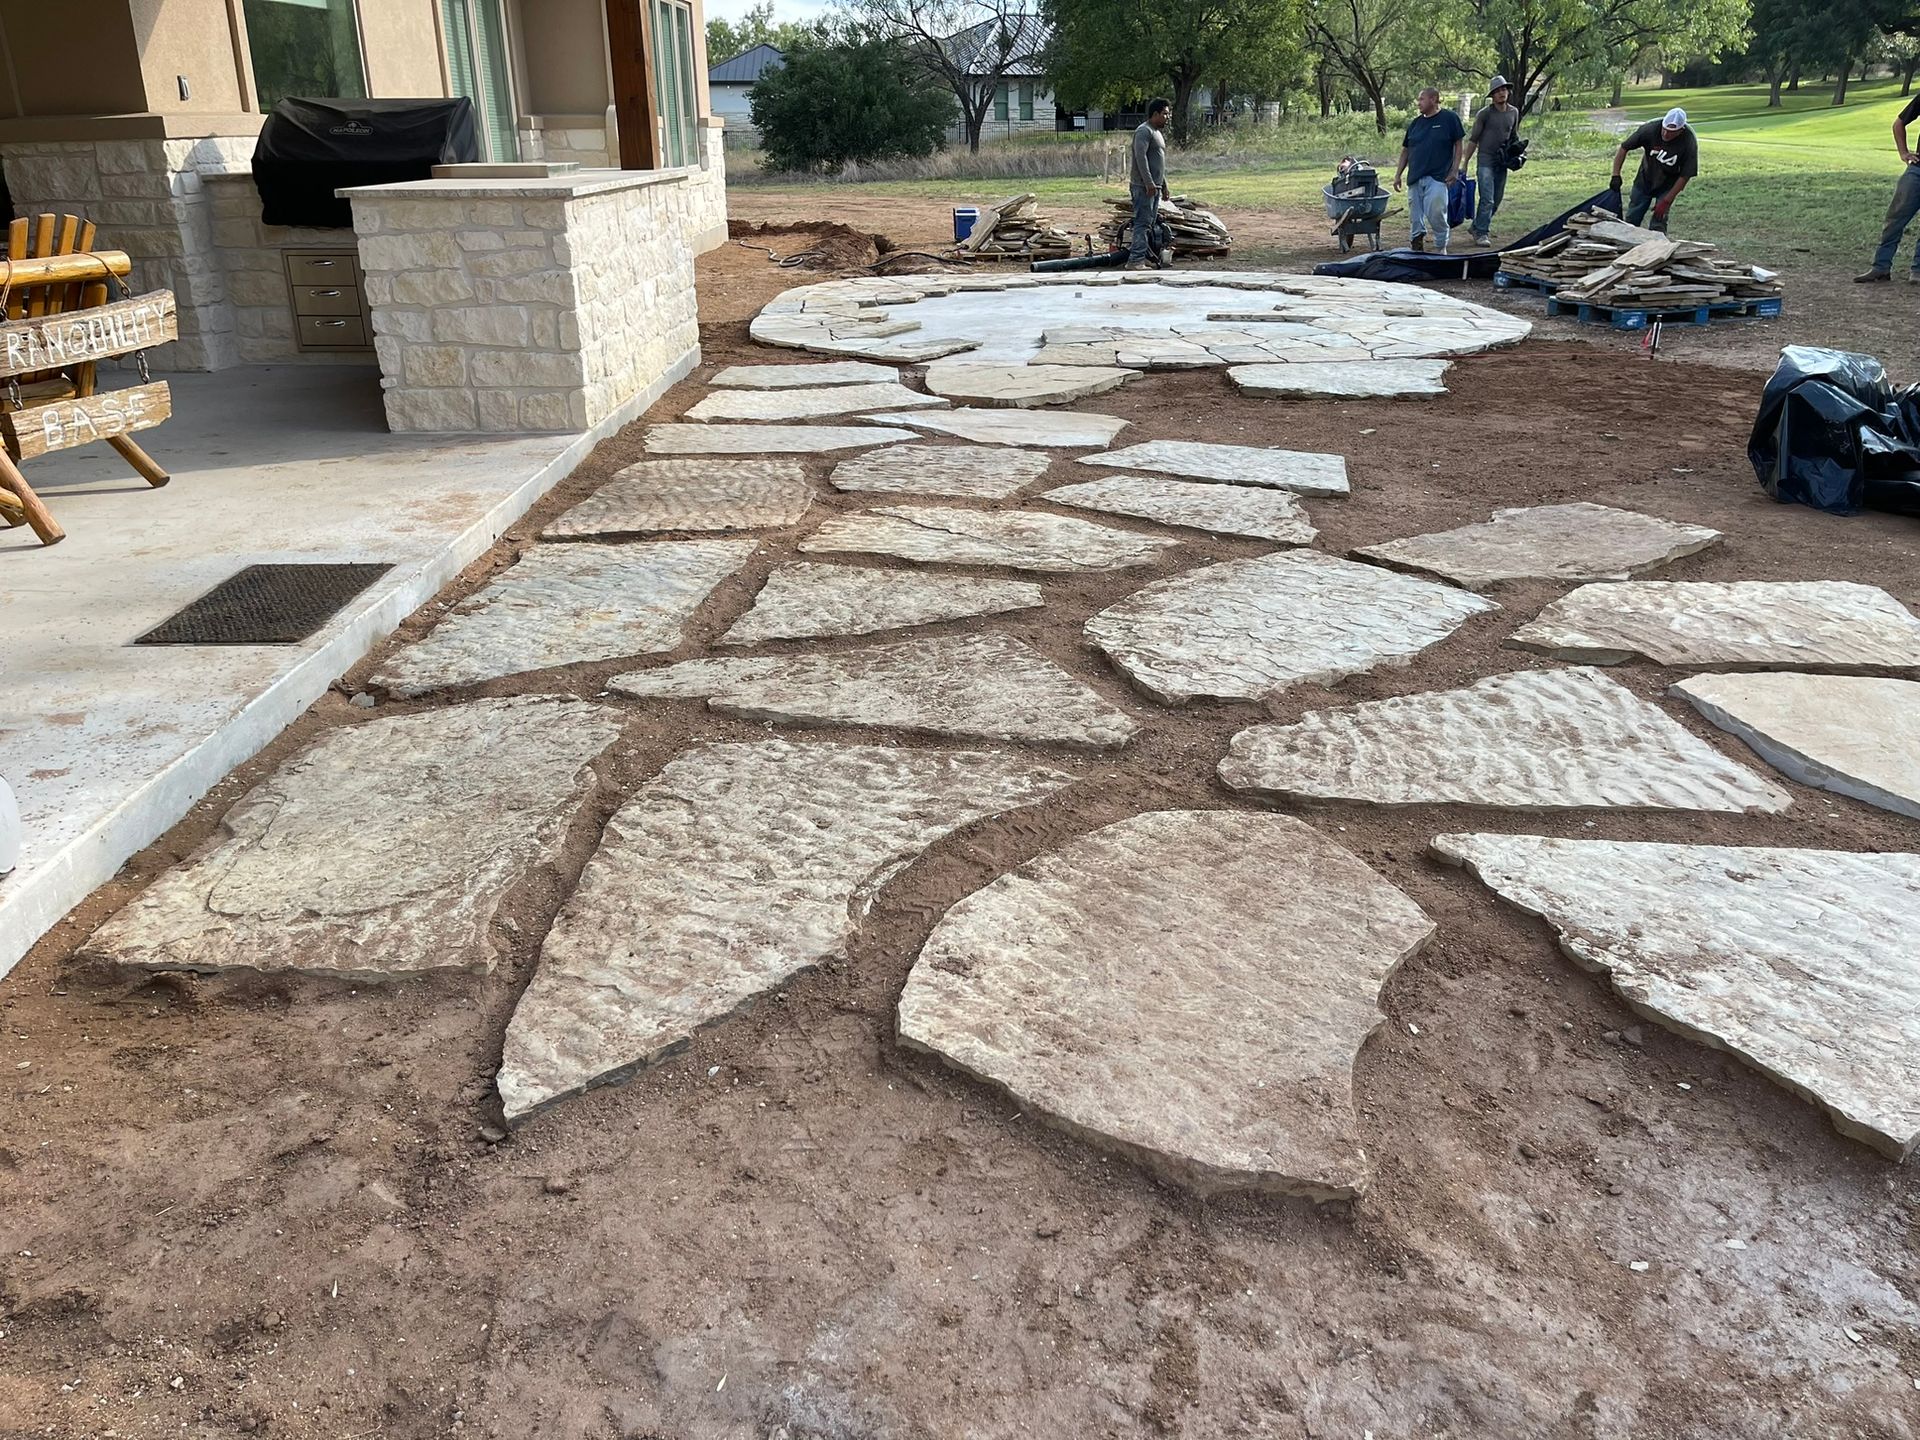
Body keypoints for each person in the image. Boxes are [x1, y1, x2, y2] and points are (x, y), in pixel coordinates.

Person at [1854, 90, 1920, 282]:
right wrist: (1904, 153)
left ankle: (1917, 271)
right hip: (1917, 171)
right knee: (1895, 219)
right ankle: (1881, 267)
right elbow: (1899, 123)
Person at [1393, 87, 1464, 254]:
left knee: (1437, 212)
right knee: (1415, 216)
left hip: (1438, 176)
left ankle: (1441, 247)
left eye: (1422, 99)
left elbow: (1459, 144)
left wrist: (1455, 170)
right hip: (1415, 177)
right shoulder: (1416, 124)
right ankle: (1416, 244)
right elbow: (1406, 150)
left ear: (1433, 99)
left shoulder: (1449, 118)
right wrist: (1398, 175)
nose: (1418, 103)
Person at [1611, 106, 1697, 233]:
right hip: (1645, 180)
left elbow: (1685, 175)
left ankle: (1657, 243)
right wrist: (1616, 175)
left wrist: (1666, 201)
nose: (1666, 134)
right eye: (1664, 129)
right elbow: (1624, 147)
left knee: (1659, 222)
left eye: (1671, 132)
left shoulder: (1688, 140)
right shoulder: (1649, 129)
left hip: (1668, 184)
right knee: (1632, 218)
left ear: (1681, 130)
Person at [1461, 76, 1519, 247]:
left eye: (1504, 89)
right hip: (1485, 160)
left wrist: (1517, 154)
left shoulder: (1513, 112)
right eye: (1497, 91)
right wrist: (1465, 163)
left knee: (1497, 199)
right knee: (1487, 199)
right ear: (1492, 95)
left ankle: (1476, 226)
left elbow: (1514, 136)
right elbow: (1473, 140)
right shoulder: (1484, 114)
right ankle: (1482, 233)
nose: (1502, 93)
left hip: (1502, 161)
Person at [1125, 99, 1173, 272]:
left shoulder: (1156, 133)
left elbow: (1157, 163)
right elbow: (1141, 158)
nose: (1167, 117)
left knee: (1150, 223)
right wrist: (1149, 183)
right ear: (1155, 114)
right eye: (1165, 113)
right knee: (1142, 223)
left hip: (1154, 186)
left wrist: (1163, 185)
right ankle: (1135, 261)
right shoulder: (1144, 131)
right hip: (1143, 186)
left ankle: (1144, 257)